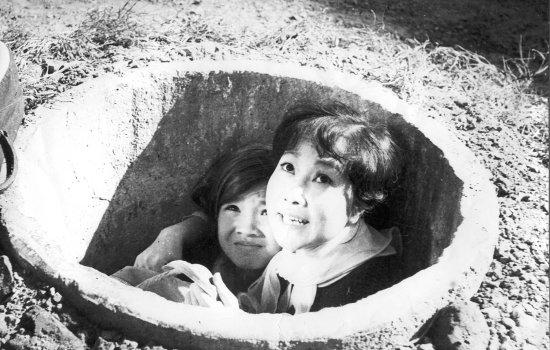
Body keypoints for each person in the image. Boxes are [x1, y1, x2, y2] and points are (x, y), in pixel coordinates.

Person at [239, 102, 402, 314]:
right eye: (289, 167)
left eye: (323, 178)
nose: (293, 194)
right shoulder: (293, 257)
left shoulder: (366, 289)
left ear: (356, 209)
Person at [112, 144, 281, 302]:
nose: (245, 228)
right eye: (233, 208)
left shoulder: (297, 284)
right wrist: (173, 234)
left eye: (265, 212)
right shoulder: (205, 270)